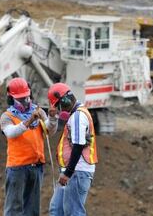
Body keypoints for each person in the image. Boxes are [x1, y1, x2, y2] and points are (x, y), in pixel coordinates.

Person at [0, 77, 58, 216]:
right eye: (20, 99)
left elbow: (49, 131)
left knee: (32, 209)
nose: (25, 102)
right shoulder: (7, 116)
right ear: (11, 98)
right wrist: (29, 120)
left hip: (36, 166)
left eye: (26, 98)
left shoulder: (38, 111)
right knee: (14, 208)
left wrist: (52, 119)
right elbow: (11, 133)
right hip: (17, 167)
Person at [48, 83, 98, 216]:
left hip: (77, 172)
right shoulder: (76, 114)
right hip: (73, 171)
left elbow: (78, 146)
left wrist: (68, 173)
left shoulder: (77, 116)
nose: (59, 111)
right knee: (56, 210)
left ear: (63, 101)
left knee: (74, 212)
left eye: (58, 107)